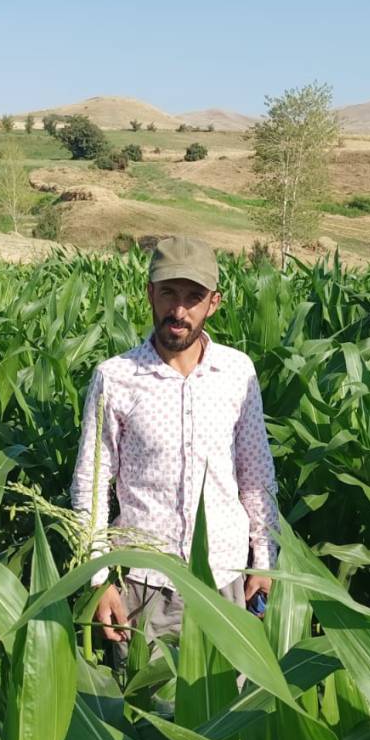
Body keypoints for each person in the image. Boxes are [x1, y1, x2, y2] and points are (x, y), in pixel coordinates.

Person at [70, 235, 277, 657]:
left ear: (213, 303)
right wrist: (99, 579)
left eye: (193, 297)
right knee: (145, 697)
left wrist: (264, 561)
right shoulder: (116, 377)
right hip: (145, 587)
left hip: (225, 581)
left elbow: (256, 476)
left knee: (229, 697)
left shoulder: (237, 373)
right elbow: (91, 482)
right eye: (168, 293)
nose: (178, 311)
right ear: (150, 293)